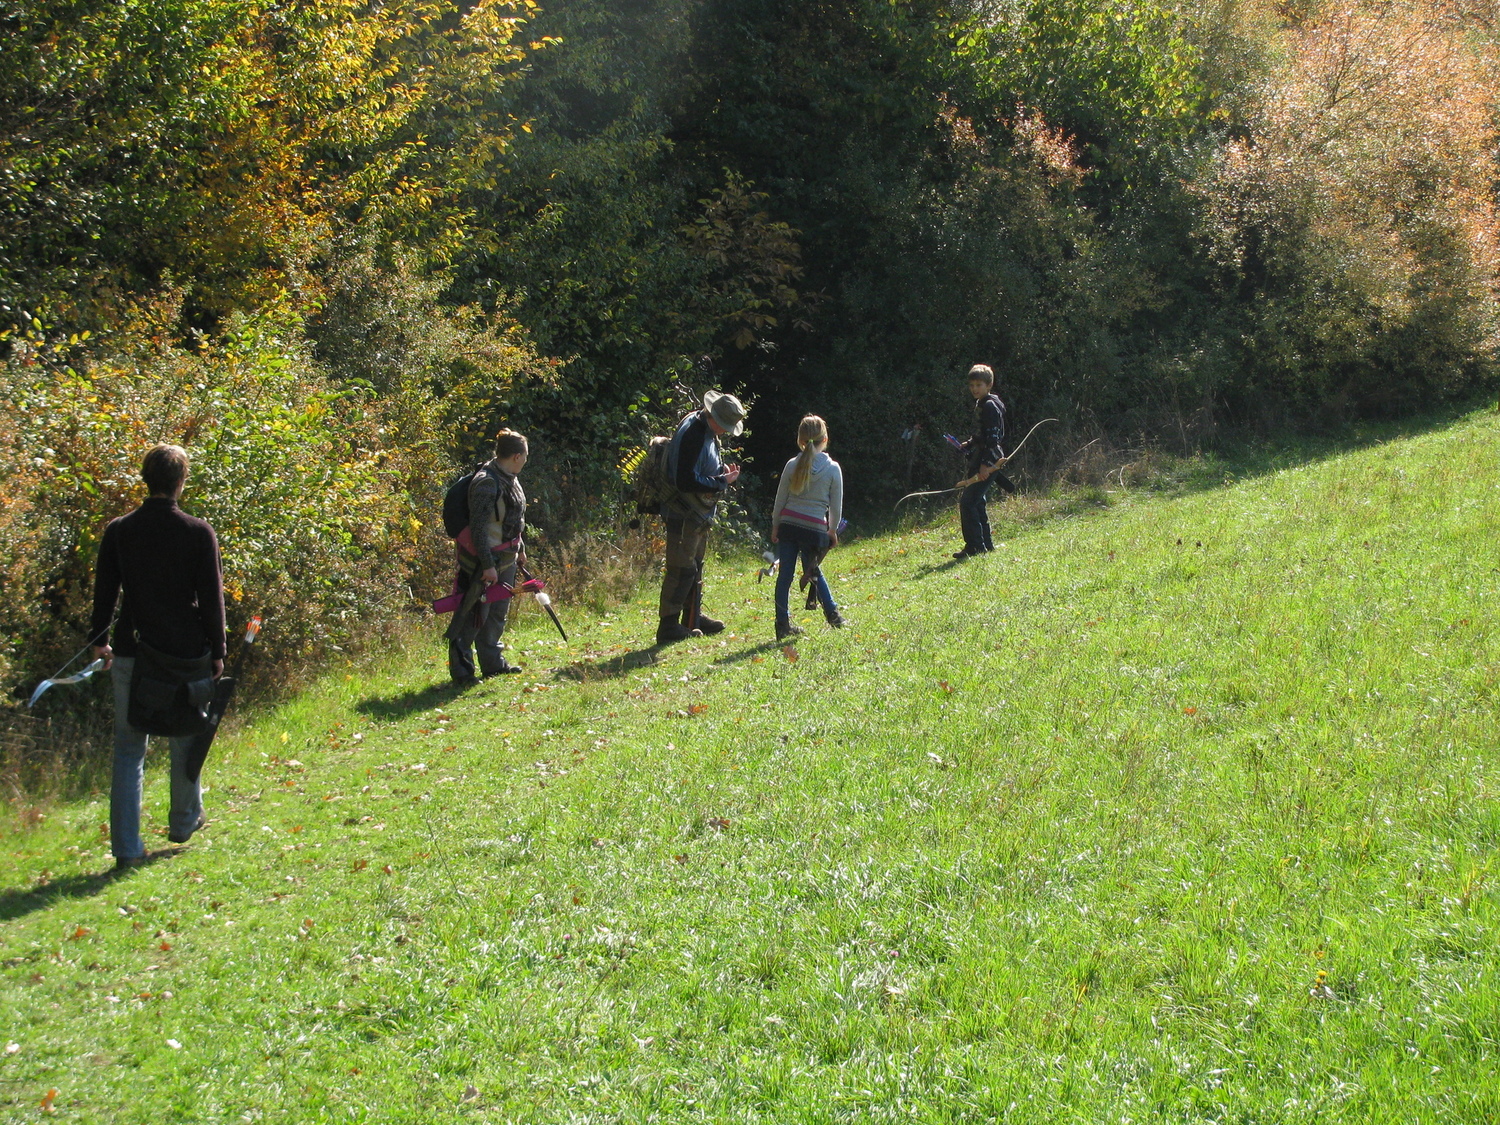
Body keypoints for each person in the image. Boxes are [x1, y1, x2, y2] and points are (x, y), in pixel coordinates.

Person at [89, 444, 226, 870]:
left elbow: (105, 592)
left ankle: (126, 848)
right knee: (188, 734)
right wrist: (218, 650)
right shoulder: (198, 531)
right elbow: (211, 597)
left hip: (134, 649)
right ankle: (183, 822)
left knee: (129, 749)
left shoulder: (120, 530)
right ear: (181, 480)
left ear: (146, 479)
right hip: (186, 652)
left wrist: (99, 640)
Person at [657, 390, 746, 644]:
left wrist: (719, 473)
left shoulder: (703, 426)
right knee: (681, 568)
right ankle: (668, 626)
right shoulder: (694, 434)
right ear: (714, 416)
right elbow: (684, 480)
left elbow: (698, 468)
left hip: (697, 514)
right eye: (726, 426)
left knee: (695, 565)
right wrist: (721, 481)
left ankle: (692, 618)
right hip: (683, 512)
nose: (726, 431)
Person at [448, 429, 529, 683]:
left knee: (496, 615)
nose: (526, 460)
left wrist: (520, 548)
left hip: (507, 558)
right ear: (516, 456)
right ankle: (462, 672)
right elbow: (478, 529)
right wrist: (486, 565)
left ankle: (493, 665)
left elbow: (514, 518)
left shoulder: (511, 477)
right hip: (483, 563)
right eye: (525, 455)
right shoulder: (486, 482)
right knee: (472, 616)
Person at [771, 415, 845, 640]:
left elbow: (780, 500)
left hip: (788, 527)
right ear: (825, 439)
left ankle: (782, 624)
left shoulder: (792, 465)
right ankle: (833, 614)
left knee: (785, 575)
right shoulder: (833, 469)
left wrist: (775, 525)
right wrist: (832, 530)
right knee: (813, 572)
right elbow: (835, 507)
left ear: (800, 440)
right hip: (813, 531)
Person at [954, 363, 1006, 559]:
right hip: (981, 458)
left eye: (979, 385)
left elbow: (992, 439)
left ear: (989, 385)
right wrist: (968, 444)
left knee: (968, 503)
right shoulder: (983, 403)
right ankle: (986, 545)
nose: (974, 389)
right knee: (977, 502)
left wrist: (985, 466)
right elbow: (981, 435)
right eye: (972, 385)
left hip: (989, 461)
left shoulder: (990, 406)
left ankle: (974, 547)